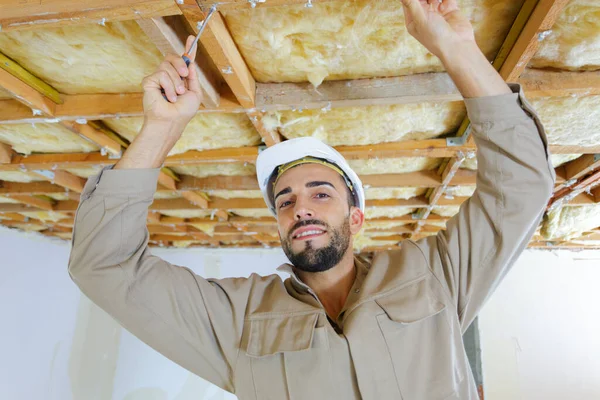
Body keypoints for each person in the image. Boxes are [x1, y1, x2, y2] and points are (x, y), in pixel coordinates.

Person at [68, 0, 555, 398]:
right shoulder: (238, 319)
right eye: (284, 201)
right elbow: (103, 267)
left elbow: (523, 183)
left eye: (321, 193)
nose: (300, 207)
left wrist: (456, 49)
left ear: (356, 215)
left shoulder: (436, 276)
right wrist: (161, 128)